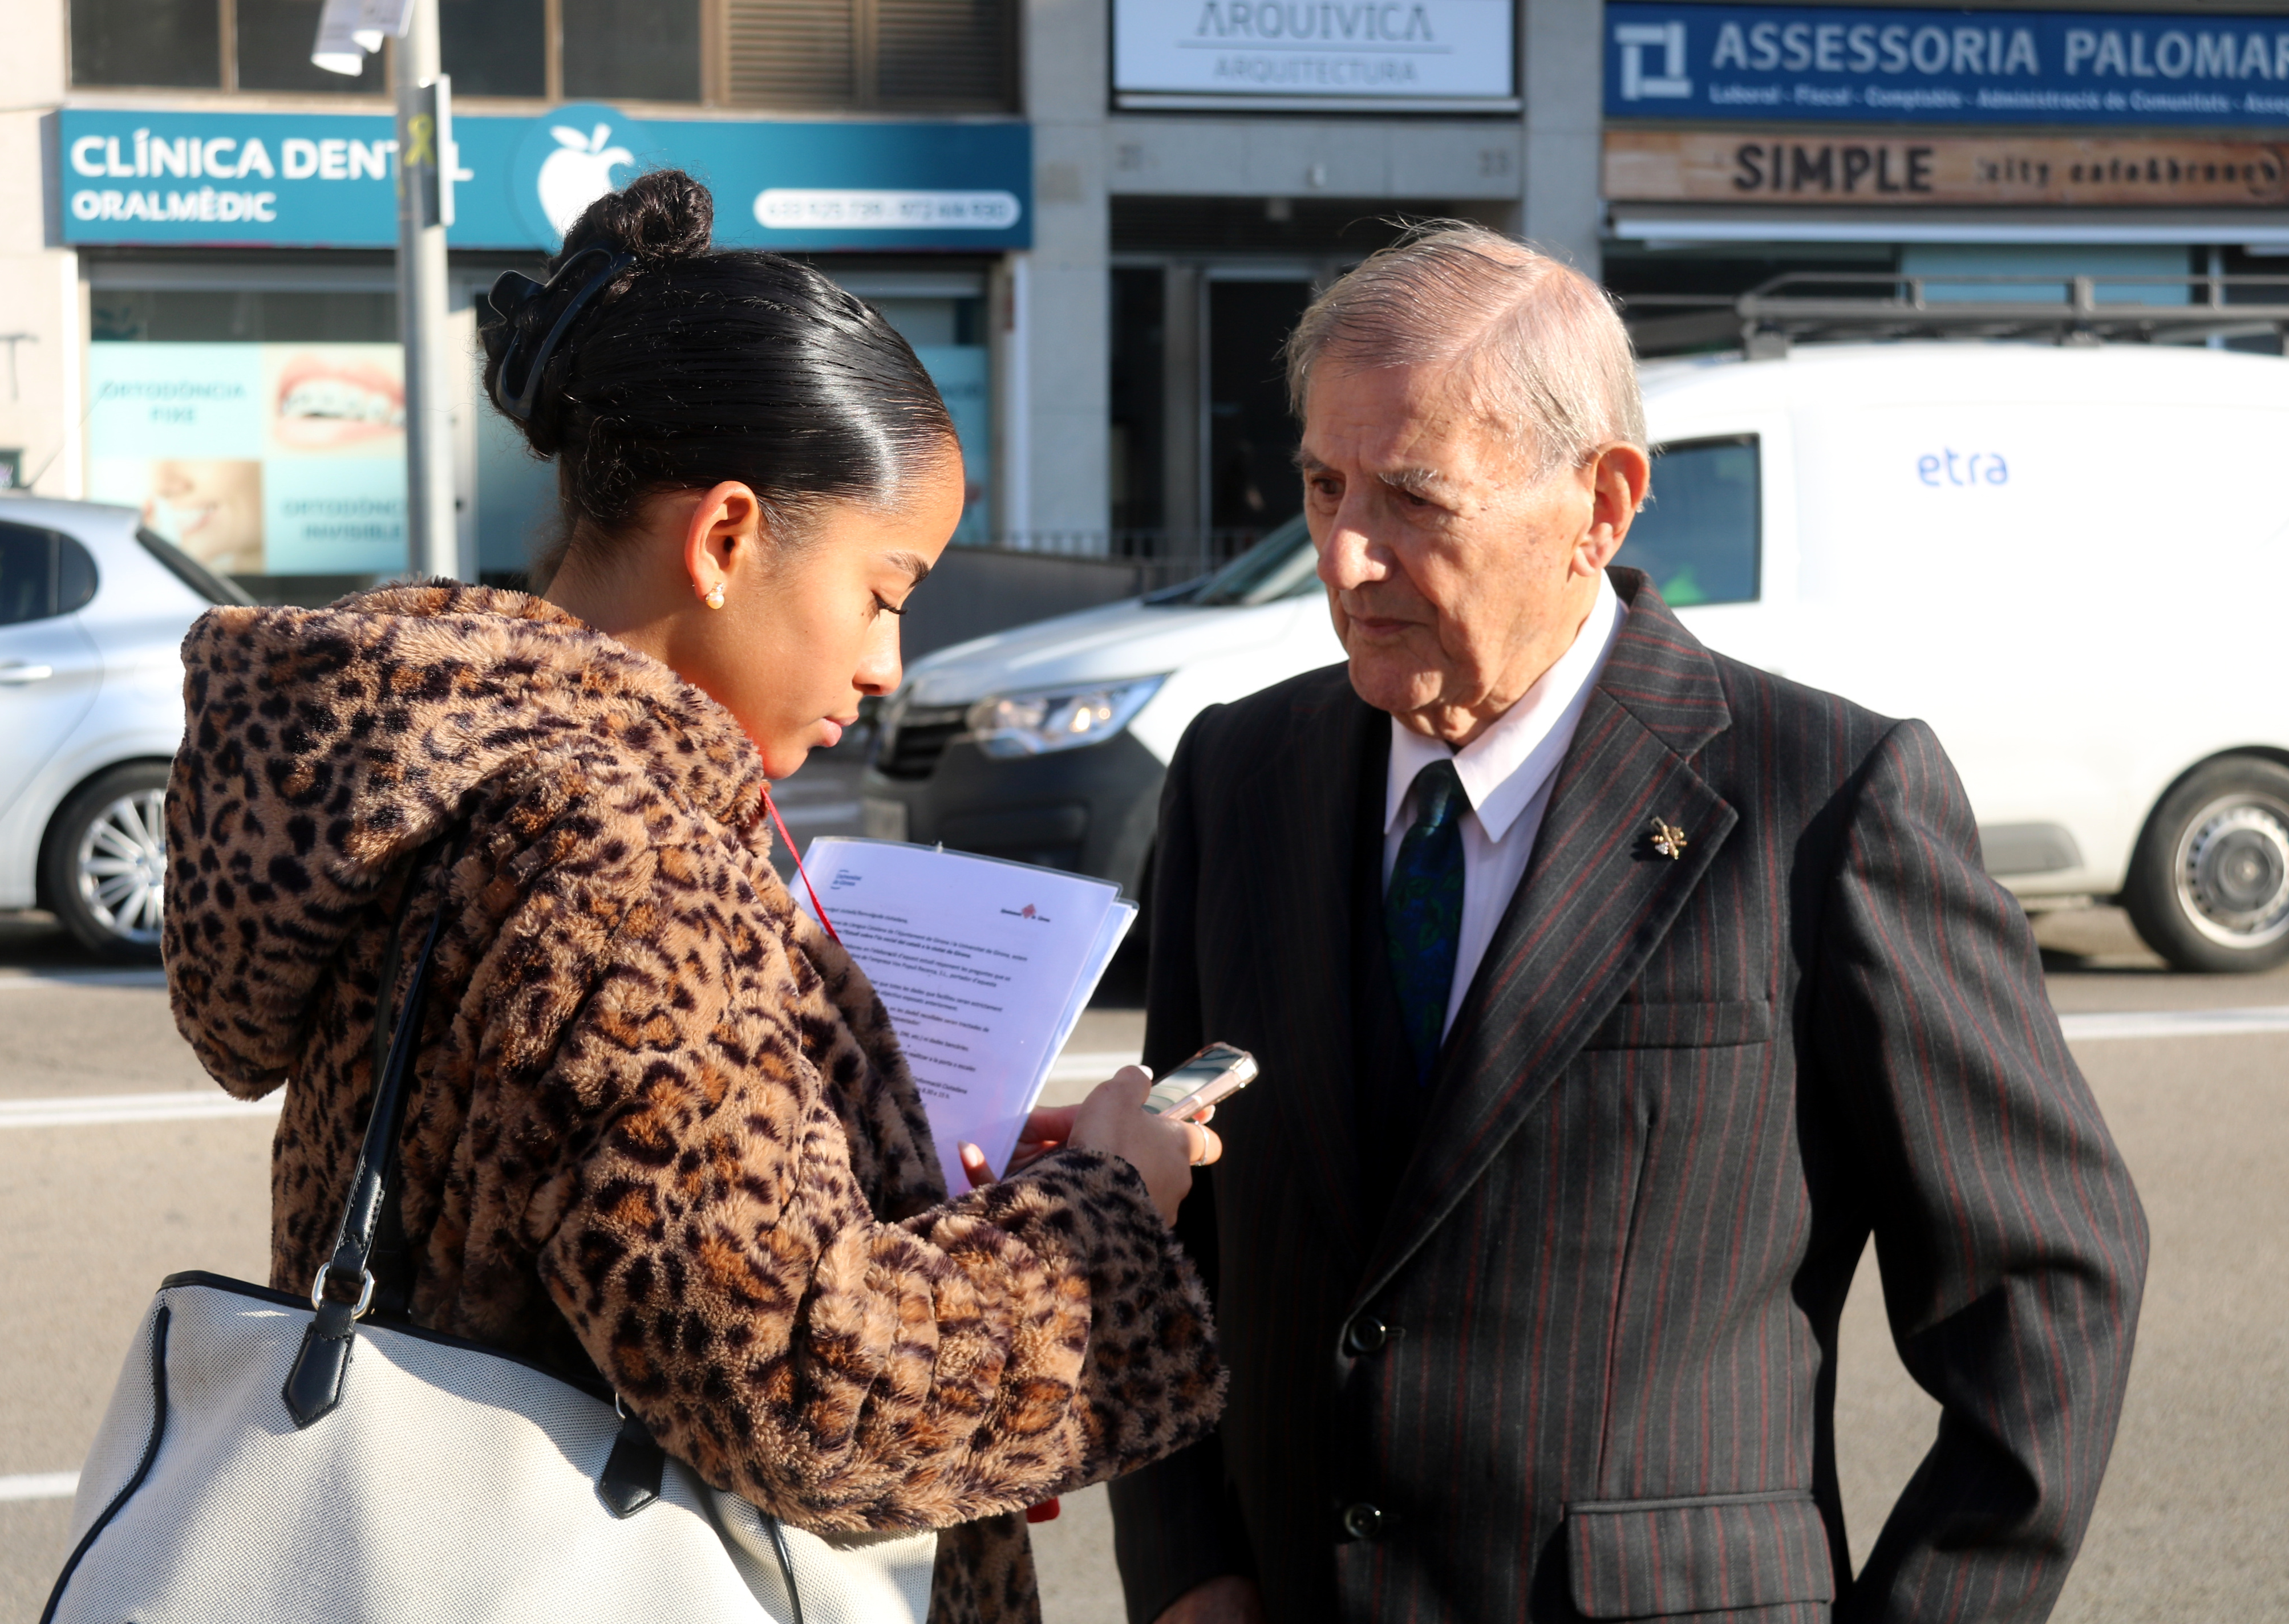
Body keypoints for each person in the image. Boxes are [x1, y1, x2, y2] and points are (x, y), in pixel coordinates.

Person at [161, 169, 1225, 1624]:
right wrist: (1104, 1212)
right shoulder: (623, 855)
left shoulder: (452, 775)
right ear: (726, 538)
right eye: (884, 589)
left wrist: (897, 1149)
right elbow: (810, 1389)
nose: (886, 665)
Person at [1110, 223, 2149, 1624]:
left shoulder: (1825, 797)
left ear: (1601, 502)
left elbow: (2048, 1283)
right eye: (1320, 483)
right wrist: (1188, 1567)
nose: (1346, 556)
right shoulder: (1239, 775)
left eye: (1414, 498)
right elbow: (1177, 1238)